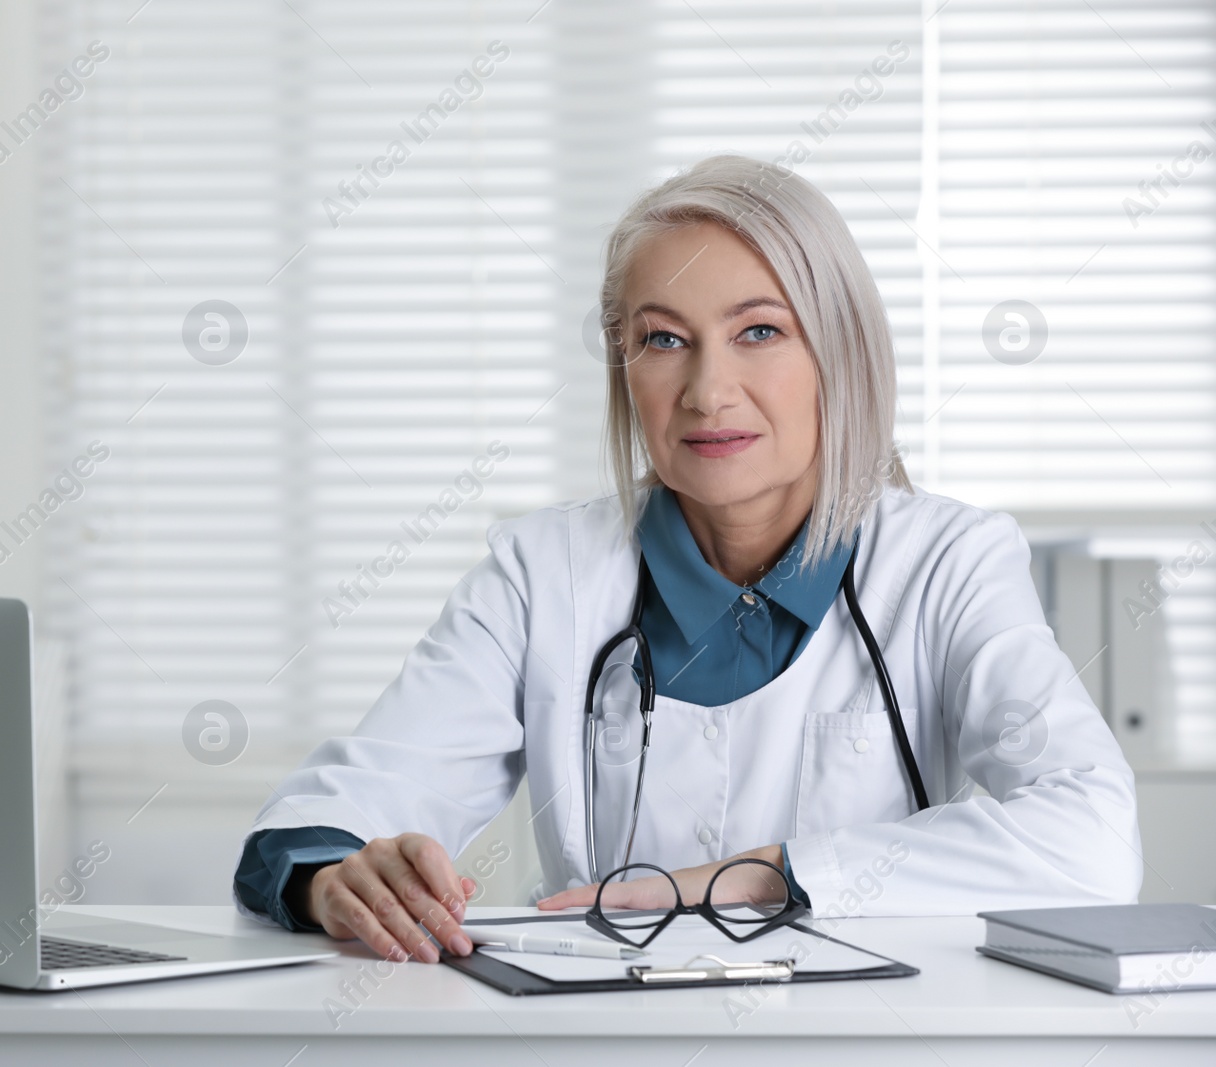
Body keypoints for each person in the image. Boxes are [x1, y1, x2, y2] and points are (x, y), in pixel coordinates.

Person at [232, 155, 1141, 965]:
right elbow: (323, 817)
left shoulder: (947, 562)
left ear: (842, 351)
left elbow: (1092, 840)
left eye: (759, 331)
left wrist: (758, 876)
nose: (707, 392)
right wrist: (337, 880)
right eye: (663, 340)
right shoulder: (542, 572)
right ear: (624, 367)